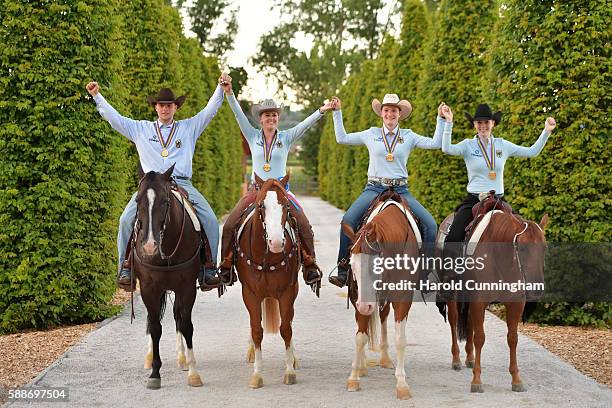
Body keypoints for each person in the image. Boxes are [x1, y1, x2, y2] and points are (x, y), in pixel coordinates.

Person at [86, 80, 224, 291]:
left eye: (169, 105)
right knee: (125, 220)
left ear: (176, 107)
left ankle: (209, 268)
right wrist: (97, 96)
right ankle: (126, 268)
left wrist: (220, 89)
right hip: (150, 186)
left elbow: (209, 111)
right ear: (155, 108)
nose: (165, 108)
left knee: (211, 220)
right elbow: (115, 119)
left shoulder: (189, 127)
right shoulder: (141, 128)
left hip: (180, 183)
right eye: (161, 105)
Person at [217, 73, 335, 288]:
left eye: (274, 115)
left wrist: (322, 110)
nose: (270, 118)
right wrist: (229, 93)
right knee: (230, 224)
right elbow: (237, 114)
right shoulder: (252, 135)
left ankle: (309, 264)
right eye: (266, 115)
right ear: (260, 119)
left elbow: (306, 124)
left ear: (277, 118)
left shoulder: (287, 137)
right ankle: (226, 266)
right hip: (257, 191)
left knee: (304, 225)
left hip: (282, 192)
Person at [328, 94, 453, 287]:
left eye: (394, 110)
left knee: (430, 225)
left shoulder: (409, 136)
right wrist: (337, 113)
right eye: (386, 110)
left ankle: (425, 274)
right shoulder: (371, 133)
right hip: (374, 187)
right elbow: (342, 138)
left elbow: (435, 144)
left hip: (401, 190)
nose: (390, 113)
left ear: (400, 114)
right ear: (381, 113)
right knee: (348, 221)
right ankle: (343, 267)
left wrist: (441, 119)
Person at [441, 103, 556, 249]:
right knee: (454, 236)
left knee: (522, 231)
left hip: (499, 200)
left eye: (486, 122)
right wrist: (449, 122)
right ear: (474, 125)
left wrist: (546, 131)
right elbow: (446, 148)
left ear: (493, 123)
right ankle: (450, 269)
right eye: (479, 122)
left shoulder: (503, 145)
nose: (483, 126)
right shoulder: (467, 145)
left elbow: (532, 152)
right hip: (475, 199)